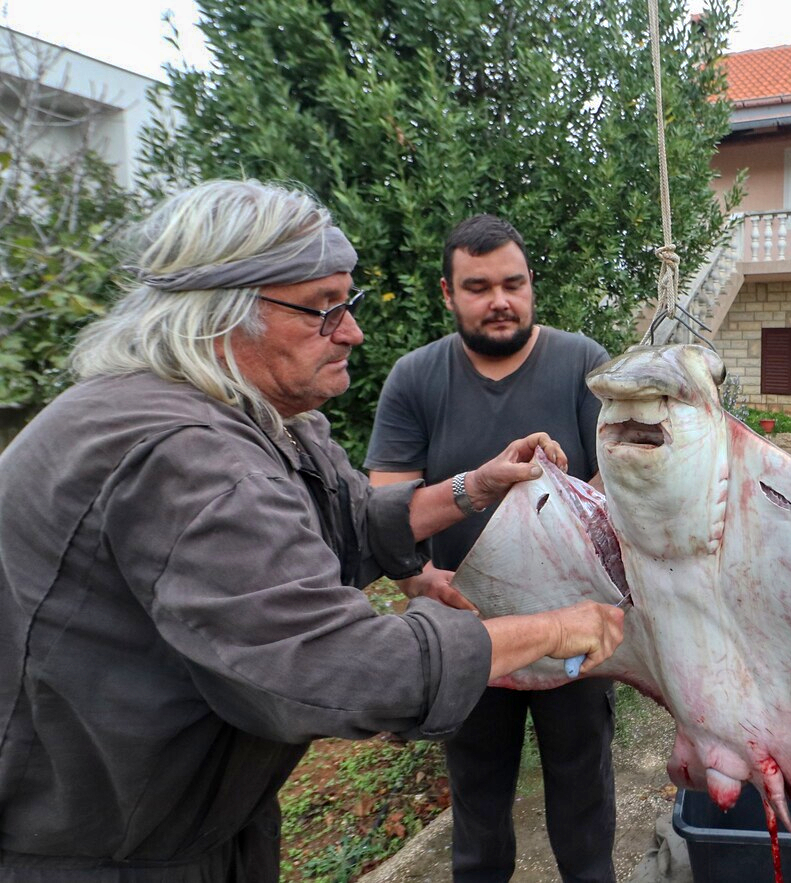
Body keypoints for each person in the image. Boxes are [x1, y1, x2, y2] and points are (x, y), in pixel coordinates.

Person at [0, 181, 624, 883]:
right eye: (324, 308)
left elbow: (350, 520)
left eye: (347, 304)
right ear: (220, 314)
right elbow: (339, 665)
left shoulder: (257, 418)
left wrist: (471, 487)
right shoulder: (188, 456)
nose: (352, 332)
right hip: (104, 855)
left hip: (180, 825)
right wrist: (552, 628)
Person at [365, 214, 615, 883]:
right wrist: (420, 580)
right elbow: (385, 508)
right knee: (476, 814)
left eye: (512, 283)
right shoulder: (415, 378)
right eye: (478, 287)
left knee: (584, 803)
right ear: (448, 294)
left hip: (571, 628)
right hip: (466, 629)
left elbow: (616, 488)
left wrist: (570, 493)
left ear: (531, 284)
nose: (499, 300)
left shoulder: (582, 364)